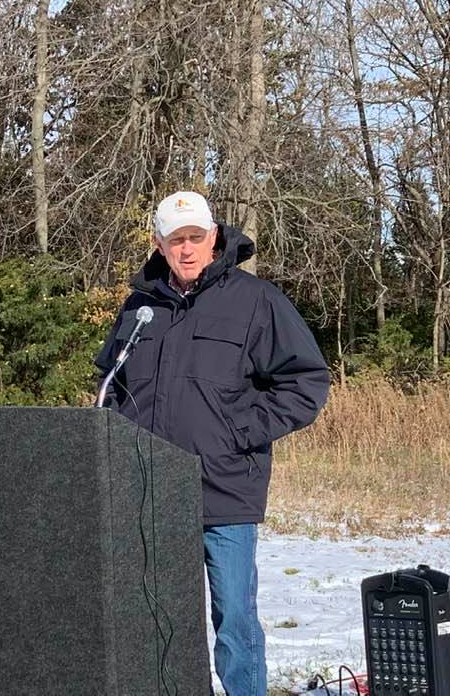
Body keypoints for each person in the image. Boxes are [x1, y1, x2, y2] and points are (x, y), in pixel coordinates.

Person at [95, 192, 330, 696]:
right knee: (154, 618)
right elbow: (110, 384)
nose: (187, 249)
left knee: (236, 623)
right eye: (176, 240)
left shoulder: (256, 300)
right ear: (159, 244)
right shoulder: (140, 307)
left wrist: (239, 431)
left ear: (214, 237)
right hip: (148, 494)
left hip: (224, 490)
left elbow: (306, 382)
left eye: (196, 238)